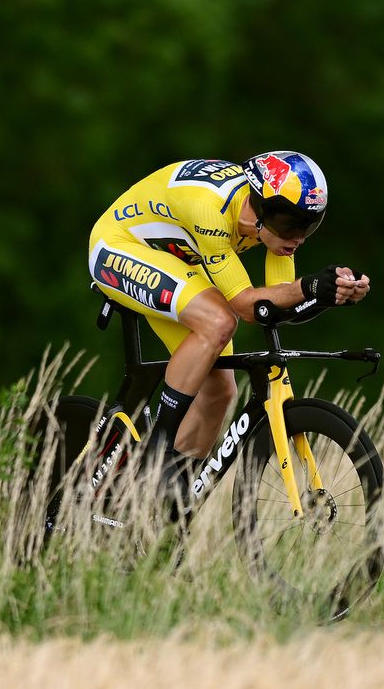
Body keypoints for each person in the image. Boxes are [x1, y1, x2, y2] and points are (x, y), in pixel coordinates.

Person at [86, 151, 369, 500]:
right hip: (119, 246)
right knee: (220, 321)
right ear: (261, 207)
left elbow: (275, 306)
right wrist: (309, 285)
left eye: (309, 225)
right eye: (290, 224)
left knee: (220, 392)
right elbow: (246, 306)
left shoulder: (276, 226)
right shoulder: (212, 209)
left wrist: (330, 294)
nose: (298, 237)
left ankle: (163, 506)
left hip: (176, 258)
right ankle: (157, 454)